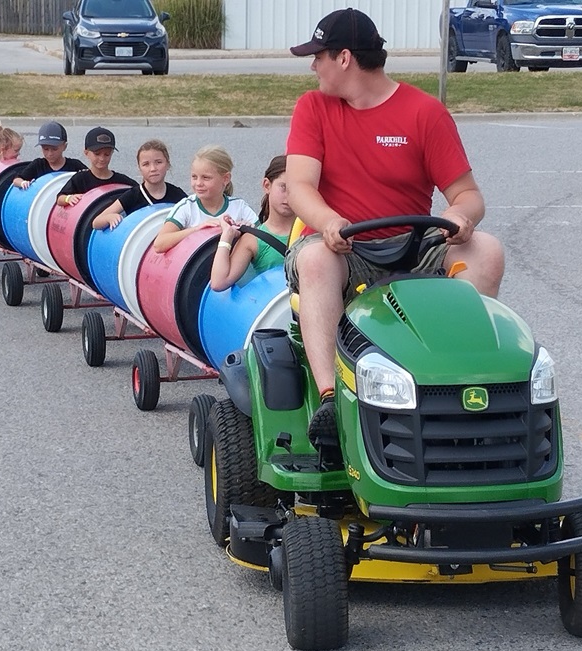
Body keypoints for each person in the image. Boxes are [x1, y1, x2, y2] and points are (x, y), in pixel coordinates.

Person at [283, 8, 505, 440]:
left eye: (318, 56)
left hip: (413, 247)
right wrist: (328, 221)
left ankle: (458, 382)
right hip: (342, 248)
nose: (313, 66)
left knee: (487, 250)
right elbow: (300, 187)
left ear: (344, 58)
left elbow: (468, 195)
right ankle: (331, 400)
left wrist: (460, 216)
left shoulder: (424, 113)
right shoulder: (313, 107)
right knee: (315, 261)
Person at [210, 155, 294, 291]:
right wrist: (226, 236)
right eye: (283, 187)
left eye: (297, 189)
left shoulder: (313, 232)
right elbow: (219, 283)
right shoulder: (253, 239)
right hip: (275, 303)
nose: (289, 196)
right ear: (267, 185)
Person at [152, 145, 257, 253]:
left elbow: (264, 241)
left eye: (206, 178)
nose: (198, 183)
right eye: (194, 177)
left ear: (225, 179)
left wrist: (249, 230)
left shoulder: (239, 207)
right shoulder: (186, 207)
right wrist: (197, 229)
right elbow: (159, 244)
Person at [92, 139, 187, 230]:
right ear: (139, 168)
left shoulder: (177, 195)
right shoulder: (133, 195)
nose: (153, 169)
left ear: (168, 164)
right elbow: (96, 222)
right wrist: (109, 218)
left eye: (158, 162)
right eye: (146, 164)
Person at [56, 127, 137, 207]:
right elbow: (59, 198)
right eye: (97, 154)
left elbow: (139, 192)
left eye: (107, 154)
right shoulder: (80, 179)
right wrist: (68, 198)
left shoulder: (122, 181)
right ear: (86, 153)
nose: (102, 158)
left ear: (112, 153)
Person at [11, 121, 84, 189]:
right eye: (45, 149)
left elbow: (89, 177)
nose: (50, 153)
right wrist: (23, 183)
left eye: (54, 149)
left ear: (64, 146)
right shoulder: (38, 165)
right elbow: (16, 180)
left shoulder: (75, 166)